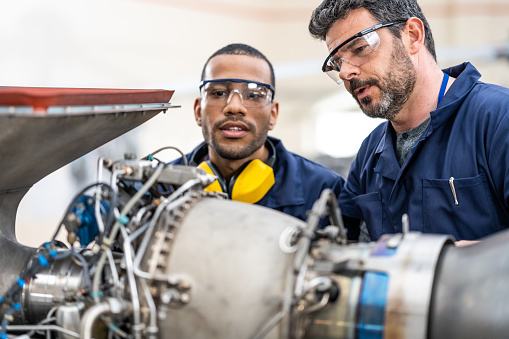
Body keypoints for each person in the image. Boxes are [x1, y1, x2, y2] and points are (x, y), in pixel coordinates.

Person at [308, 0, 509, 243]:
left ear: (412, 36)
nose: (345, 72)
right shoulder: (369, 154)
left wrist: (458, 263)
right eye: (338, 62)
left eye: (359, 48)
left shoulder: (498, 119)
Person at [171, 43, 345, 225]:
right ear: (199, 111)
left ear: (273, 114)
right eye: (219, 93)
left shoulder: (324, 191)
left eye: (254, 95)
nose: (234, 107)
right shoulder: (158, 187)